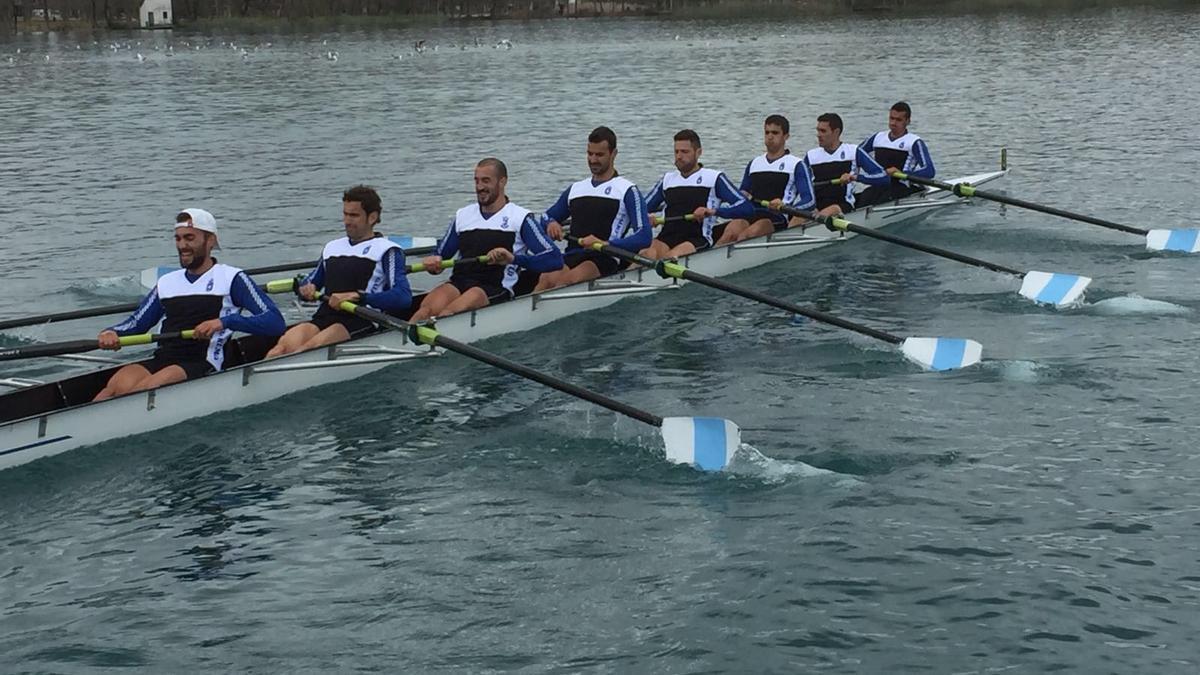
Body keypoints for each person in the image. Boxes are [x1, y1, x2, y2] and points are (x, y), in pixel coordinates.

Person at [94, 208, 285, 400]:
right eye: (178, 239)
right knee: (115, 385)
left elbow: (275, 322)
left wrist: (225, 322)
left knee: (147, 387)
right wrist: (112, 332)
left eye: (189, 238)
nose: (182, 245)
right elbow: (137, 323)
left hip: (202, 362)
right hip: (163, 358)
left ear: (210, 241)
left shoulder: (232, 278)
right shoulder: (167, 282)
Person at [266, 186, 412, 357]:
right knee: (281, 348)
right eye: (345, 214)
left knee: (309, 349)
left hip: (363, 318)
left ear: (372, 217)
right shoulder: (332, 247)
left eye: (354, 215)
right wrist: (306, 287)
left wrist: (358, 297)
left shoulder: (388, 251)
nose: (347, 221)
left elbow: (403, 297)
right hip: (325, 315)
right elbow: (311, 280)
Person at [409, 158, 562, 321]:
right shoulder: (463, 216)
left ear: (502, 182)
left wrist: (513, 259)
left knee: (449, 313)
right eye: (476, 181)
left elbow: (555, 259)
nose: (479, 187)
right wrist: (434, 264)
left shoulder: (520, 218)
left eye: (486, 181)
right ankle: (408, 338)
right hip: (459, 282)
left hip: (494, 287)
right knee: (425, 311)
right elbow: (441, 256)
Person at [533, 126, 651, 292]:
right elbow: (544, 217)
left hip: (604, 257)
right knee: (545, 279)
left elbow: (644, 236)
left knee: (569, 280)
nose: (593, 160)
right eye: (590, 154)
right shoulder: (576, 189)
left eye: (599, 155)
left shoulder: (627, 190)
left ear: (614, 154)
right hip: (572, 254)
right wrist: (551, 223)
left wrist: (605, 243)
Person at [639, 129, 752, 259]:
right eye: (676, 152)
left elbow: (746, 207)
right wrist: (647, 217)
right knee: (645, 254)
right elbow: (641, 208)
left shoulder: (714, 178)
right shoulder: (667, 180)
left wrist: (713, 211)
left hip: (696, 238)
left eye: (684, 152)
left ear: (698, 152)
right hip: (666, 237)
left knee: (671, 257)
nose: (679, 156)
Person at [716, 114, 816, 245]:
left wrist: (786, 206)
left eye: (775, 133)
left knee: (748, 234)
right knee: (730, 233)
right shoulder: (754, 163)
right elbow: (742, 194)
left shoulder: (796, 164)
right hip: (751, 213)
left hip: (777, 217)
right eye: (767, 132)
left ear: (786, 136)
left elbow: (809, 200)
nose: (770, 136)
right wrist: (742, 195)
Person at [805, 113, 889, 216]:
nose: (818, 134)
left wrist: (855, 177)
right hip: (817, 206)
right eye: (818, 130)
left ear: (836, 132)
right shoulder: (811, 156)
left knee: (826, 213)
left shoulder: (853, 152)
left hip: (843, 205)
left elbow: (884, 177)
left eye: (823, 131)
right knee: (796, 218)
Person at [855, 101, 937, 207]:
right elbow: (856, 155)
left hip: (901, 186)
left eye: (898, 120)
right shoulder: (878, 137)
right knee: (863, 199)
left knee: (884, 199)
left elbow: (929, 171)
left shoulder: (914, 142)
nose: (893, 123)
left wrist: (902, 173)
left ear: (907, 121)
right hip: (880, 184)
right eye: (891, 118)